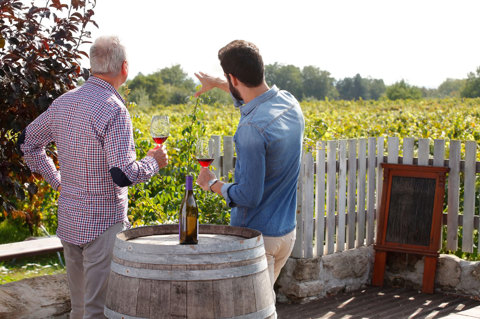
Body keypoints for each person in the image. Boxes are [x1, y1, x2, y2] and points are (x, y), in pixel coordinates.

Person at [19, 36, 168, 319]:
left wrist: (57, 181)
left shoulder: (63, 103)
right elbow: (122, 174)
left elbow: (27, 142)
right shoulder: (114, 109)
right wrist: (153, 162)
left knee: (79, 309)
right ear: (124, 68)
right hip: (103, 224)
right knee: (99, 312)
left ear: (92, 65)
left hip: (70, 219)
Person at [195, 40, 305, 290]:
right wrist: (218, 82)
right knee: (265, 308)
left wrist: (212, 184)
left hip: (257, 239)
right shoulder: (290, 103)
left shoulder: (250, 129)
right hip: (285, 235)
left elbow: (249, 195)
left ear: (234, 78)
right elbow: (253, 98)